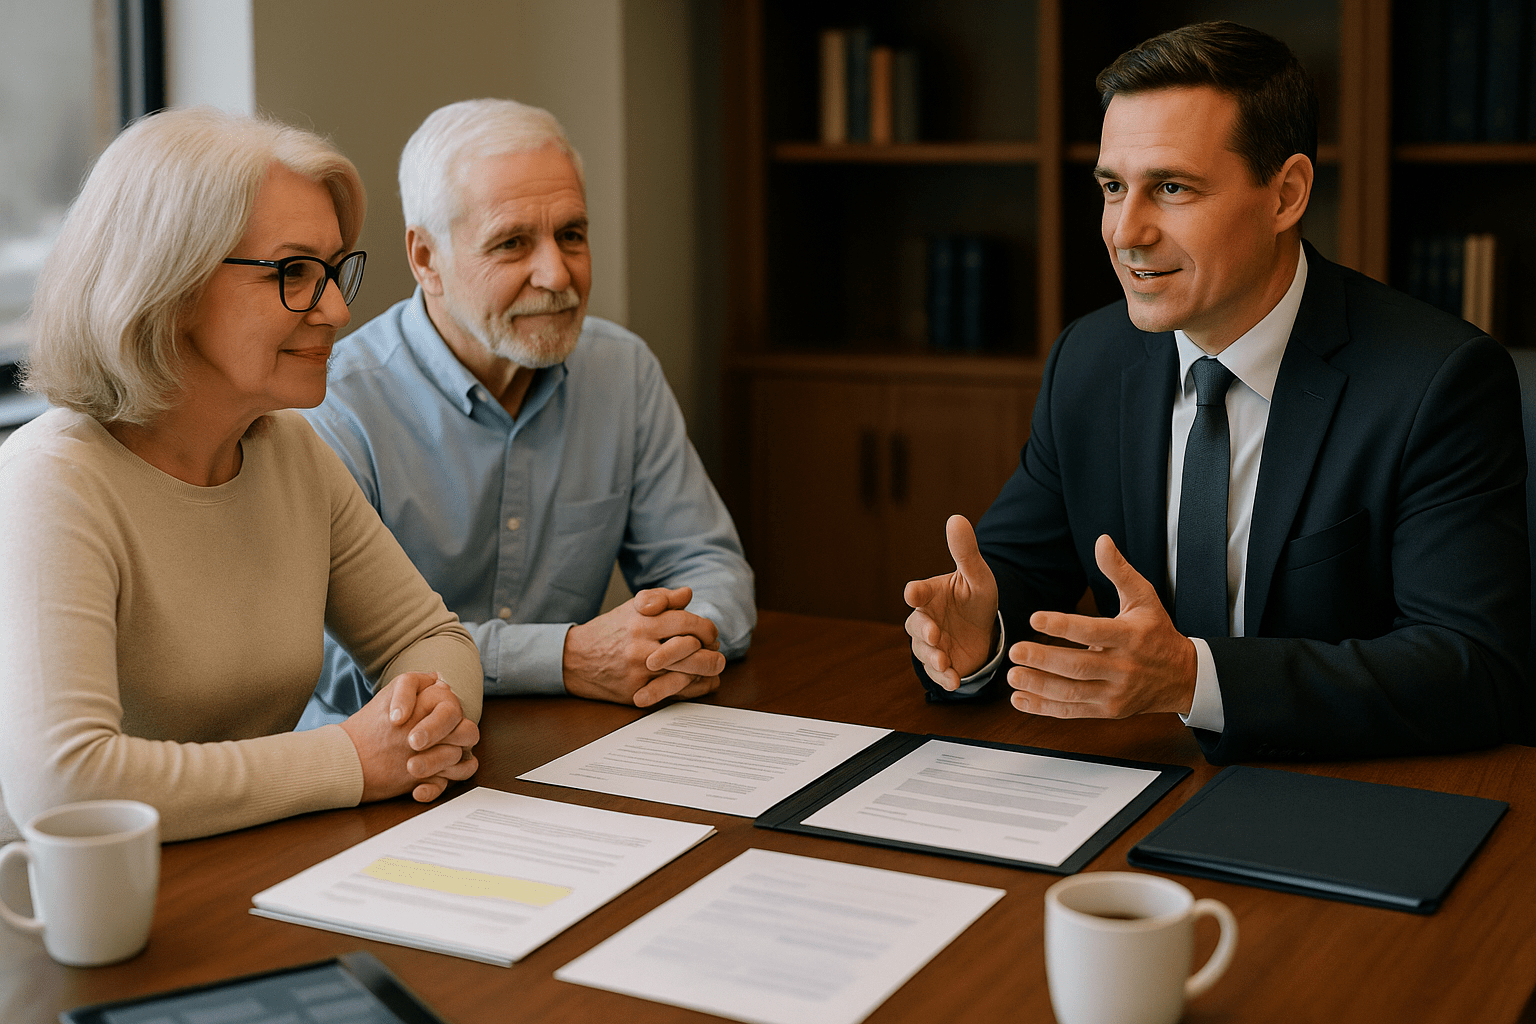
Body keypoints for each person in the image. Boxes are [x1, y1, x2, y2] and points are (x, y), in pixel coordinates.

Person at [904, 22, 1529, 762]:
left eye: (1171, 188)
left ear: (1286, 194)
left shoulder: (1438, 379)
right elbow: (1013, 576)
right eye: (1112, 187)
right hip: (1133, 785)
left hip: (1348, 798)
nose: (1125, 232)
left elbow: (1473, 669)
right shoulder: (1089, 360)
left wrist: (1193, 680)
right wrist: (978, 635)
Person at [0, 108, 483, 844]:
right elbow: (67, 784)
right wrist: (351, 760)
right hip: (72, 922)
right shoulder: (50, 482)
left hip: (251, 864)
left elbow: (431, 638)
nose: (336, 308)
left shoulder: (291, 451)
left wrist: (421, 726)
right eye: (293, 272)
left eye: (330, 270)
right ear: (170, 283)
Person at [295, 98, 754, 729]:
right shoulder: (334, 407)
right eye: (512, 244)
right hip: (386, 776)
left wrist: (674, 644)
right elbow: (338, 662)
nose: (556, 273)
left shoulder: (622, 372)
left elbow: (708, 566)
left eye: (572, 234)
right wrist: (566, 659)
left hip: (580, 747)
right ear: (427, 259)